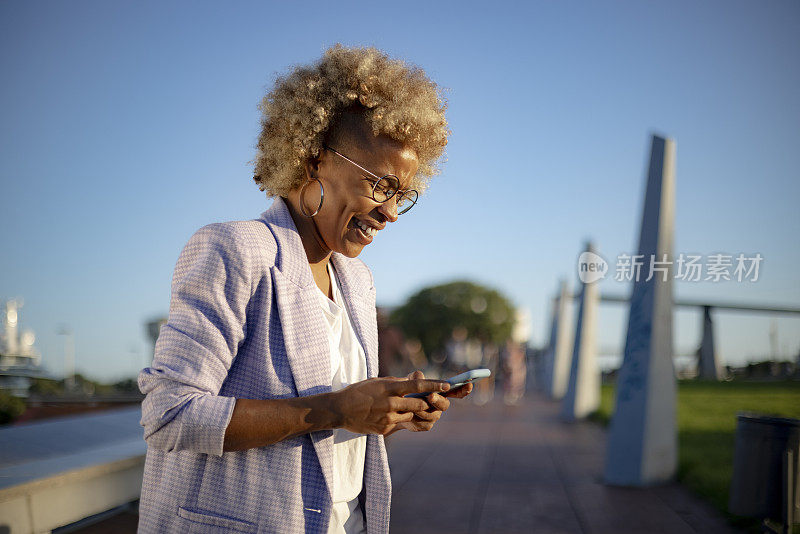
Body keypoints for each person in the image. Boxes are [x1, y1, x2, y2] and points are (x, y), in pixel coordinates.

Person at [137, 44, 472, 534]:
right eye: (380, 186)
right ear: (315, 160)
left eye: (403, 194)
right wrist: (334, 409)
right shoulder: (235, 250)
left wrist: (391, 408)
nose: (392, 212)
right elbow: (169, 414)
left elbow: (345, 416)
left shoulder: (356, 281)